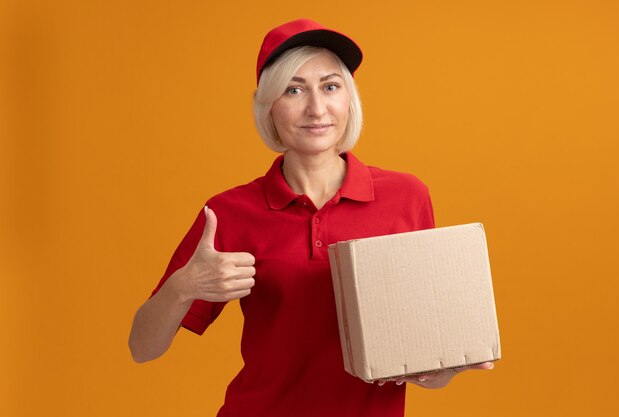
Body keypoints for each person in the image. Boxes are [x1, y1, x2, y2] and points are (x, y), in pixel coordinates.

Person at [128, 18, 493, 417]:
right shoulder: (230, 212)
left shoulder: (406, 197)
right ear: (268, 106)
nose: (316, 108)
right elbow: (143, 349)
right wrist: (184, 286)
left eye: (330, 86)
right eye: (294, 89)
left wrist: (441, 367)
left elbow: (425, 348)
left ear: (348, 99)